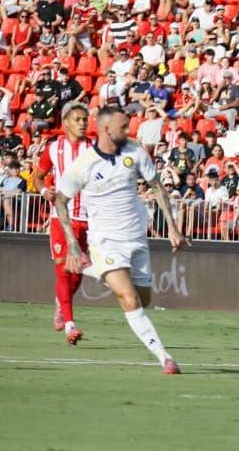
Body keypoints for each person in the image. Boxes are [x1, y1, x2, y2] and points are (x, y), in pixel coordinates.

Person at [54, 106, 186, 374]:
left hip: (136, 239)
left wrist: (172, 227)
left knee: (144, 299)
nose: (129, 131)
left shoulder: (135, 152)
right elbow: (60, 201)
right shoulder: (84, 164)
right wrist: (72, 243)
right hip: (105, 241)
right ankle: (165, 358)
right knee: (128, 299)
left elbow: (156, 186)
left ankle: (90, 268)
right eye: (124, 127)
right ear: (105, 129)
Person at [30, 102, 94, 345]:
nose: (82, 123)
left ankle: (60, 303)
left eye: (85, 119)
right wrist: (44, 189)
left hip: (88, 219)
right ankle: (70, 325)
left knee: (77, 274)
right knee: (62, 270)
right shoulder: (54, 148)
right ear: (66, 122)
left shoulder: (94, 149)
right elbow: (37, 176)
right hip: (61, 217)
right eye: (77, 119)